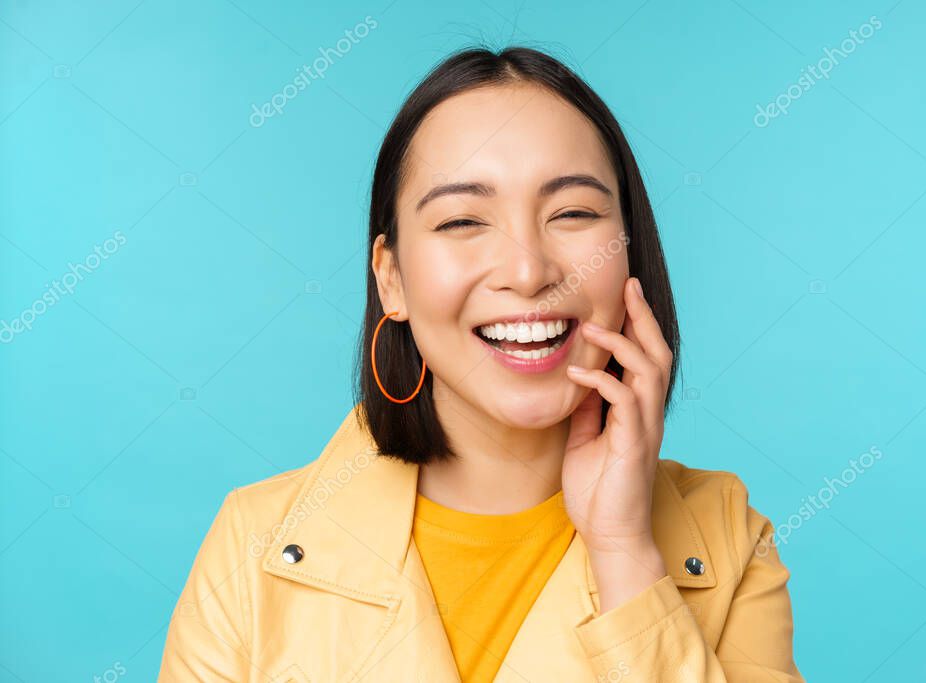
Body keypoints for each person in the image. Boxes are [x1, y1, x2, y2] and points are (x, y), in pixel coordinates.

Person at [158, 46, 804, 682]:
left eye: (573, 213)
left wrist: (625, 553)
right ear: (392, 279)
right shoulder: (255, 541)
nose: (528, 272)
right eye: (464, 219)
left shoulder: (727, 534)